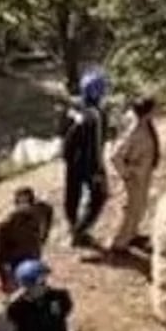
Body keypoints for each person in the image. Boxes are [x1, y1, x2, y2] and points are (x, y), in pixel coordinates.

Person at [60, 70, 109, 248]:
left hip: (71, 161)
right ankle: (80, 232)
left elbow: (62, 132)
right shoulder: (96, 115)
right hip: (89, 163)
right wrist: (97, 170)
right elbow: (96, 146)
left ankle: (72, 225)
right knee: (100, 195)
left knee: (72, 194)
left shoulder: (73, 108)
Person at [109, 96, 160, 252]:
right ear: (147, 112)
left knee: (140, 206)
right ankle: (119, 243)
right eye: (154, 108)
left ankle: (132, 234)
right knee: (130, 209)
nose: (157, 110)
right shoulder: (134, 131)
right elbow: (115, 155)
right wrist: (127, 174)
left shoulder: (145, 124)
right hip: (134, 177)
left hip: (143, 174)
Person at [0, 187, 54, 293]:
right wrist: (4, 280)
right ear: (15, 203)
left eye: (27, 201)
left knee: (39, 287)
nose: (24, 205)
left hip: (34, 255)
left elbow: (49, 211)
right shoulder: (7, 225)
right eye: (20, 202)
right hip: (16, 262)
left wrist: (45, 235)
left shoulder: (39, 210)